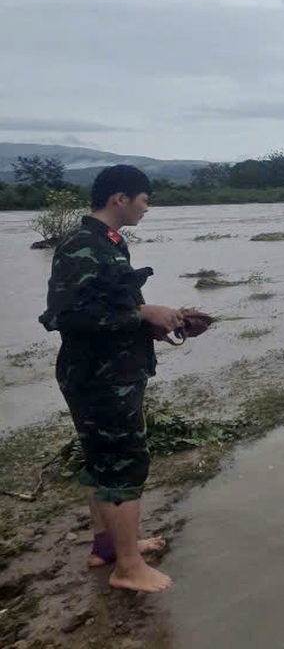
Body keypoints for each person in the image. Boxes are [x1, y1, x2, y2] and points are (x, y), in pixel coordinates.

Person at [39, 165, 182, 593]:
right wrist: (141, 313)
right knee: (122, 464)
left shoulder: (108, 244)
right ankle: (128, 567)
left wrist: (153, 323)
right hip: (100, 379)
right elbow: (67, 316)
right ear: (120, 198)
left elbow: (108, 308)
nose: (147, 208)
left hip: (108, 373)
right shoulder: (82, 245)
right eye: (144, 199)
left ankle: (108, 546)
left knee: (102, 461)